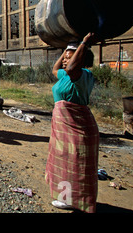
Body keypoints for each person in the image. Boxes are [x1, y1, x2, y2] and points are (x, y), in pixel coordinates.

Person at [45, 32, 99, 213]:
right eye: (66, 58)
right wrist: (66, 49)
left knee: (72, 164)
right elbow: (55, 69)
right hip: (66, 128)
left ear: (81, 59)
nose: (66, 61)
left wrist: (83, 44)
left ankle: (68, 199)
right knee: (65, 161)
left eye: (71, 58)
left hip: (76, 128)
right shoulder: (66, 76)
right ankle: (68, 197)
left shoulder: (81, 75)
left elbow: (71, 68)